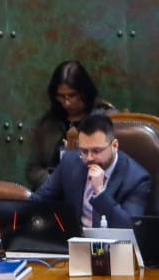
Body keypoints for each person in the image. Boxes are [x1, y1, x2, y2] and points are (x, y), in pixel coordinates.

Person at [29, 113, 153, 228]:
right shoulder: (70, 162)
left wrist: (100, 193)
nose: (89, 158)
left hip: (112, 246)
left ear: (114, 145)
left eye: (96, 151)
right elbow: (40, 200)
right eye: (83, 151)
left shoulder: (137, 179)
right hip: (72, 241)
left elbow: (129, 226)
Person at [24, 59, 115, 188]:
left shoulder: (107, 119)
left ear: (85, 92)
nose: (66, 102)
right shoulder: (48, 123)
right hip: (54, 195)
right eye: (61, 96)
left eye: (72, 95)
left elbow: (117, 166)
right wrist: (55, 182)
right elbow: (33, 168)